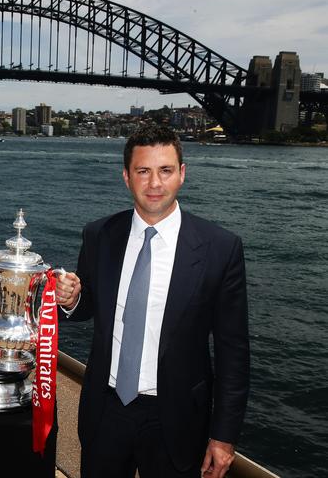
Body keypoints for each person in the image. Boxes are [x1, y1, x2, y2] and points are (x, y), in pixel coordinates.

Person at [56, 125, 249, 478]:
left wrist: (223, 437)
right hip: (106, 410)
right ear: (127, 177)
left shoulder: (220, 248)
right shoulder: (99, 234)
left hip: (176, 419)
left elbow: (233, 352)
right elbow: (86, 307)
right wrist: (71, 298)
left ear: (182, 174)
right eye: (143, 171)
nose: (155, 183)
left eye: (165, 171)